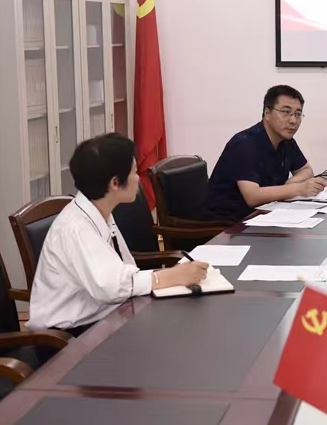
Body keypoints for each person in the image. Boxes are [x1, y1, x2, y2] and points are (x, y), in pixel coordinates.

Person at [27, 134, 209, 336]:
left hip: (106, 317)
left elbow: (124, 270)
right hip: (69, 337)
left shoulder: (100, 210)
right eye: (134, 172)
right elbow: (111, 287)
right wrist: (169, 276)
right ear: (115, 183)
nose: (138, 178)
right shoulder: (75, 228)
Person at [202, 85, 327, 220]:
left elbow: (306, 170)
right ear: (267, 113)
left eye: (298, 114)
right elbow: (253, 197)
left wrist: (290, 185)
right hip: (222, 223)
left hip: (260, 216)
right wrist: (298, 189)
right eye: (286, 112)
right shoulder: (243, 143)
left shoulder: (286, 141)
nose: (293, 121)